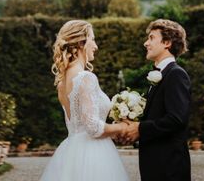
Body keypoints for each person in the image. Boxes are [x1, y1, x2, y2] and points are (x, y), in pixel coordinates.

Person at [40, 20, 130, 181]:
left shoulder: (62, 83)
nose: (95, 46)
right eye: (92, 39)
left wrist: (112, 131)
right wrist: (122, 127)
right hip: (93, 152)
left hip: (71, 150)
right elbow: (93, 127)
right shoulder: (85, 77)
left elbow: (81, 122)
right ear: (81, 43)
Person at [121, 19, 191, 181]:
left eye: (151, 38)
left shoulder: (176, 74)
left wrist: (140, 128)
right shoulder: (161, 74)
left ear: (167, 43)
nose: (146, 43)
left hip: (169, 167)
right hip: (156, 165)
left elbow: (176, 119)